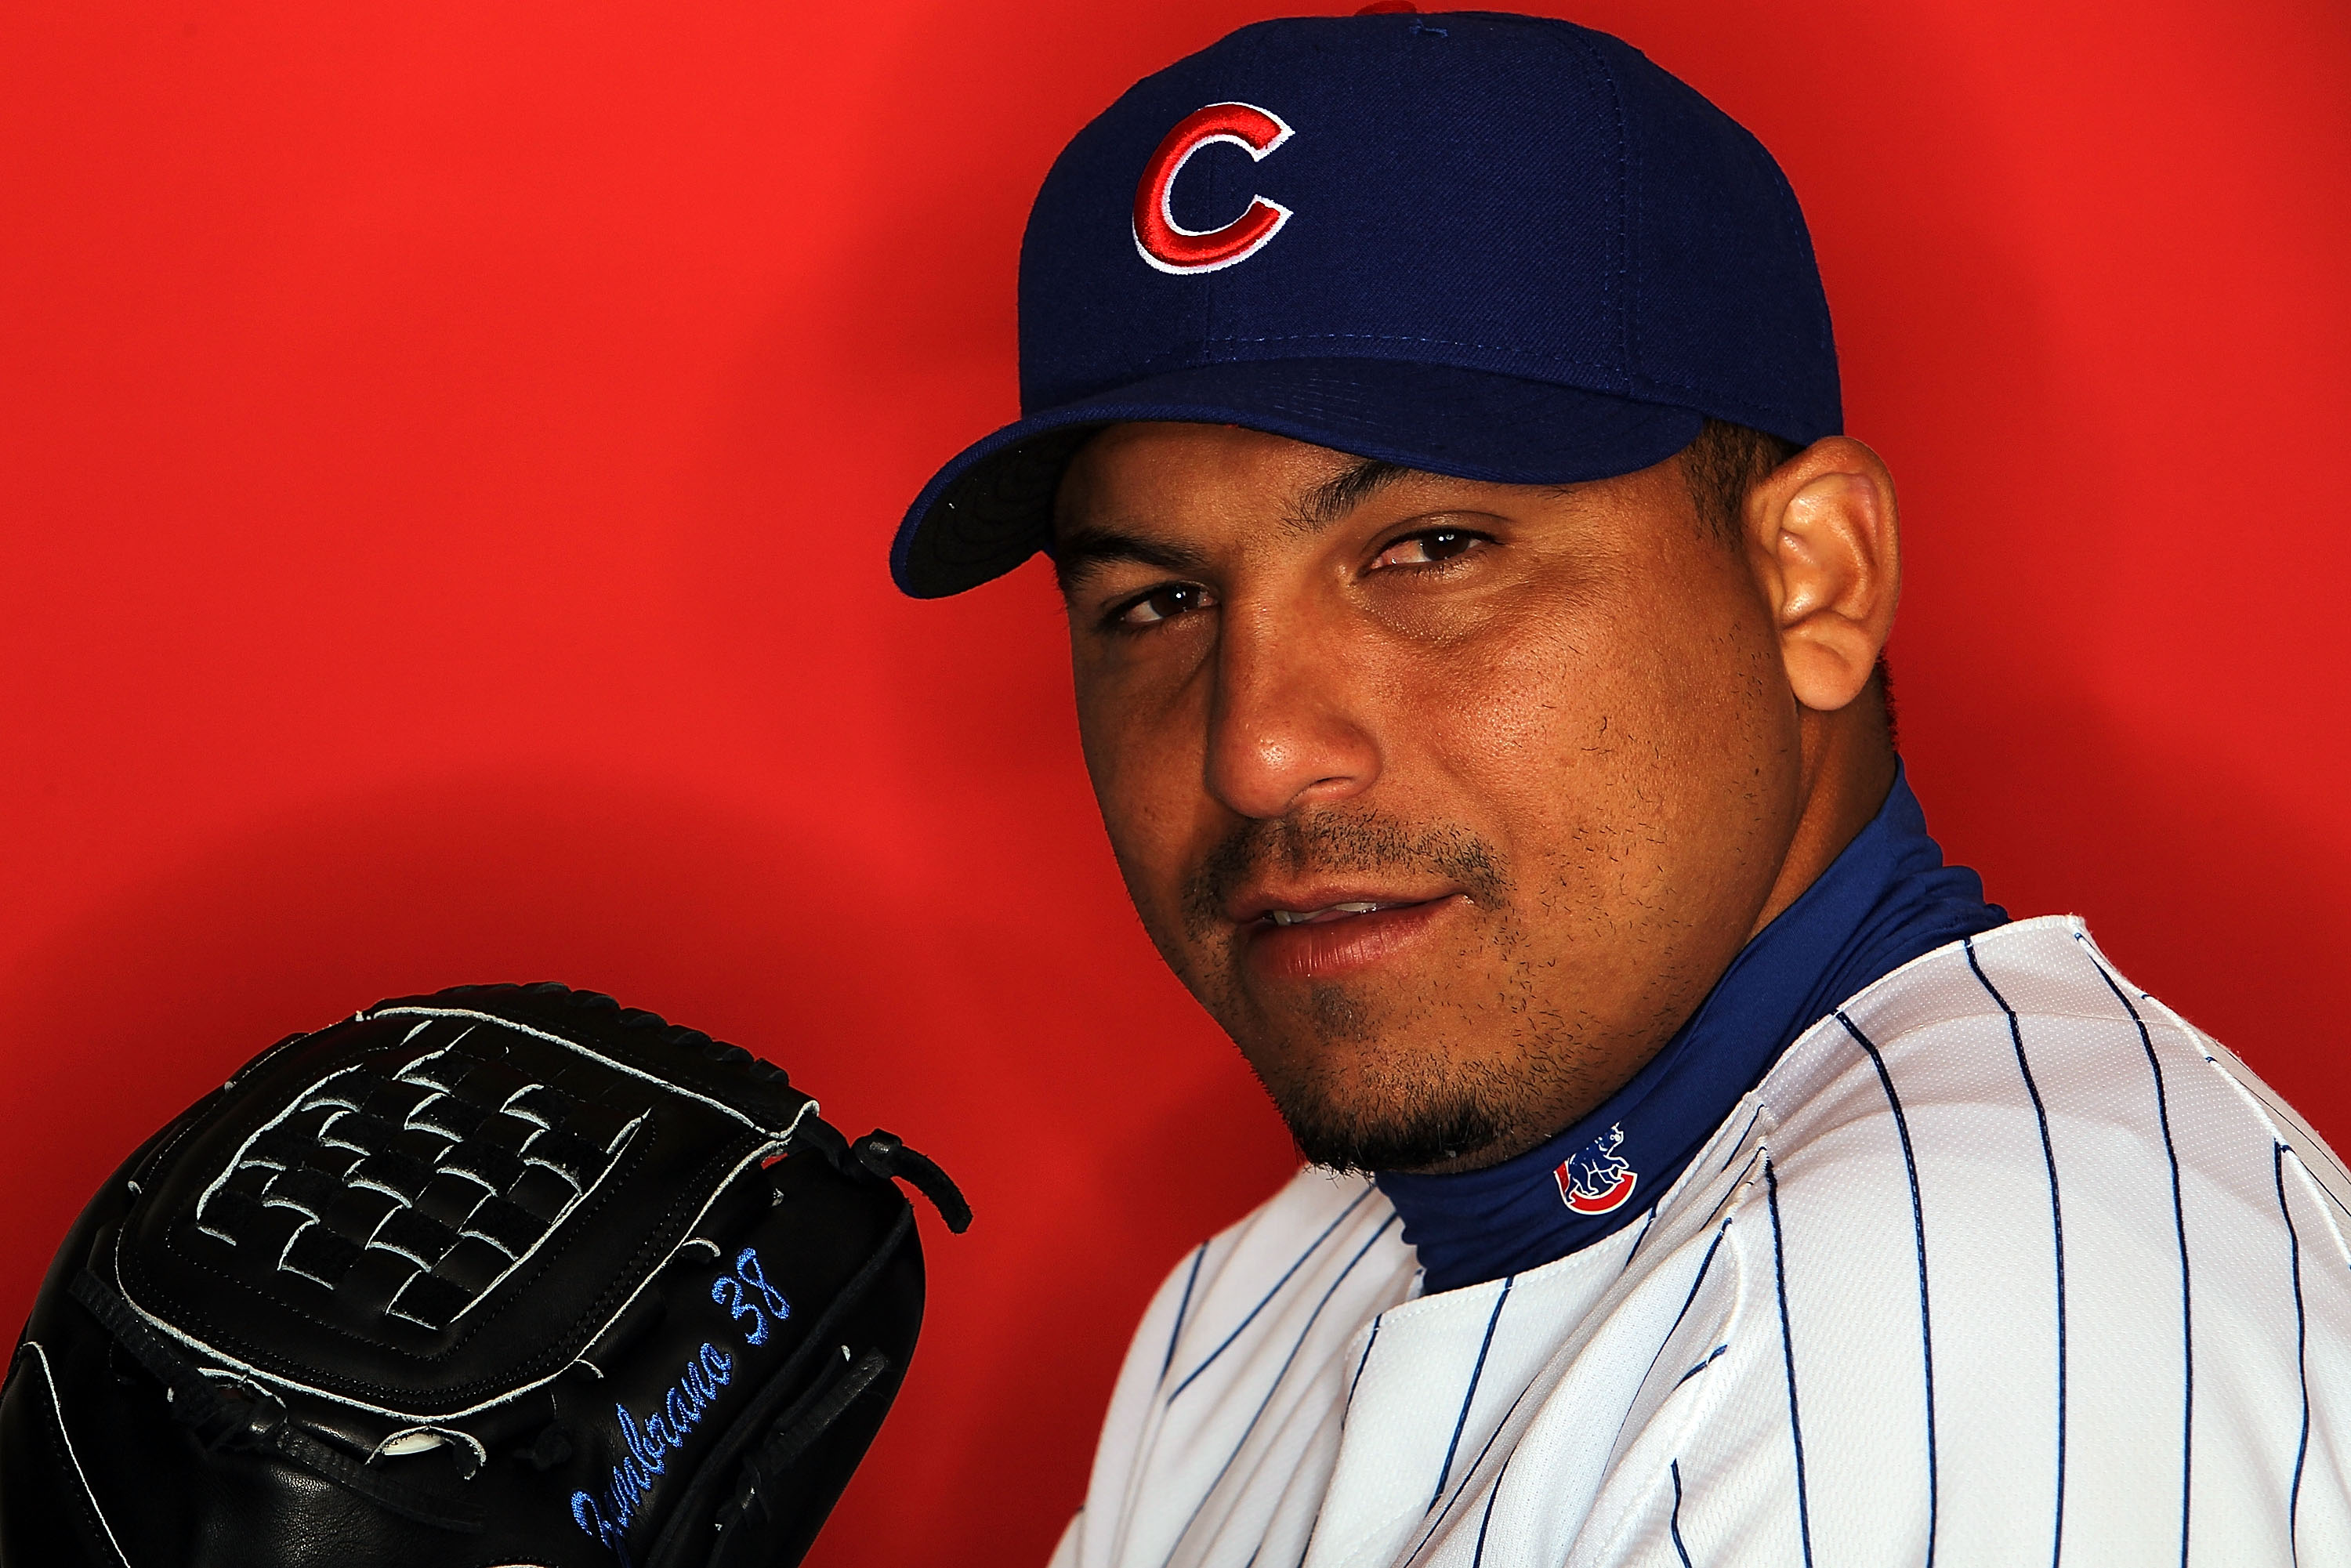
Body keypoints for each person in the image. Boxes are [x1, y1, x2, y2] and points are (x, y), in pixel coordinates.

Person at [891, 10, 2351, 1565]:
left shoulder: (1991, 1296)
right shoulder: (1241, 1307)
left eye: (1432, 549)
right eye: (1157, 603)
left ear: (1815, 579)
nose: (1255, 748)